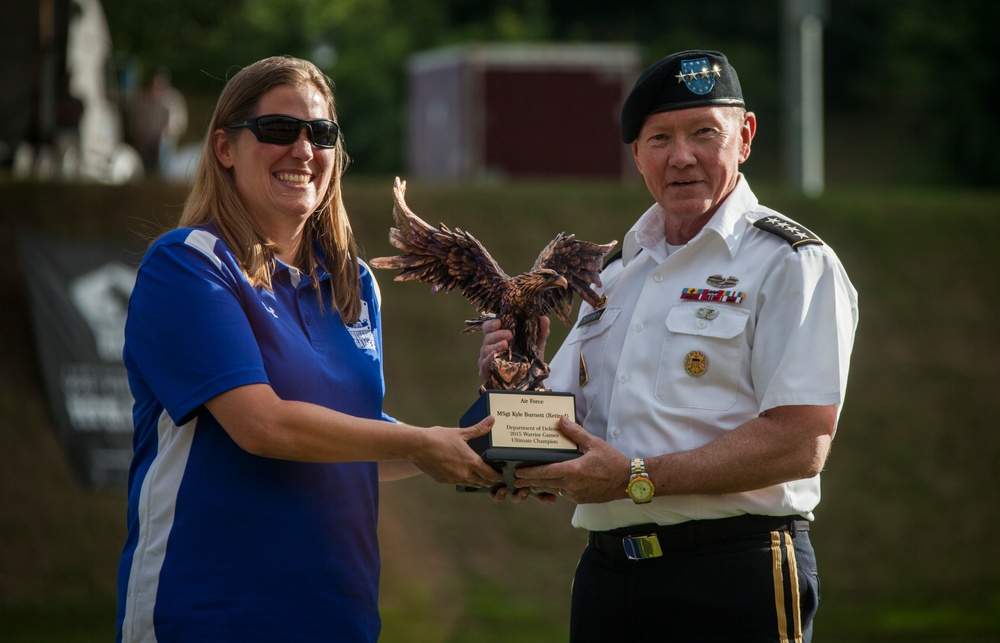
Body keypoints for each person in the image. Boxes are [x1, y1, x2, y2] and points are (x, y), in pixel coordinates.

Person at [115, 55, 501, 643]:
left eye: (320, 134)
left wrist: (482, 440)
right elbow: (263, 426)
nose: (302, 150)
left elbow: (358, 437)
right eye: (278, 130)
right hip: (206, 616)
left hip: (337, 620)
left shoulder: (354, 282)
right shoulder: (188, 264)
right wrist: (423, 443)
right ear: (224, 147)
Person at [478, 50, 859, 642]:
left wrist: (636, 477)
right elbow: (562, 427)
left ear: (745, 136)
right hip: (608, 577)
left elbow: (800, 439)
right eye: (659, 138)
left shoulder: (793, 264)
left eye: (704, 132)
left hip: (733, 573)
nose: (681, 156)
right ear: (637, 155)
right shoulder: (609, 274)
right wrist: (510, 375)